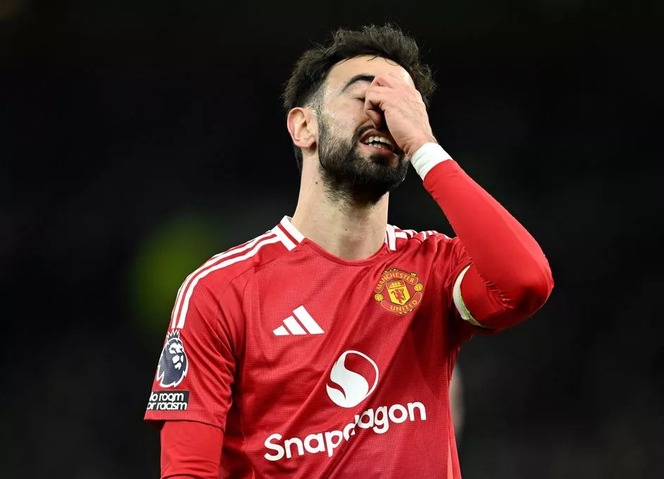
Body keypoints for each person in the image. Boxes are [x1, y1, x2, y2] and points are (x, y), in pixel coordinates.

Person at [144, 23, 554, 478]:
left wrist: (425, 145)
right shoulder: (221, 291)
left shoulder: (433, 270)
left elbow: (526, 282)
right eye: (364, 97)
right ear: (304, 126)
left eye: (401, 104)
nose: (384, 114)